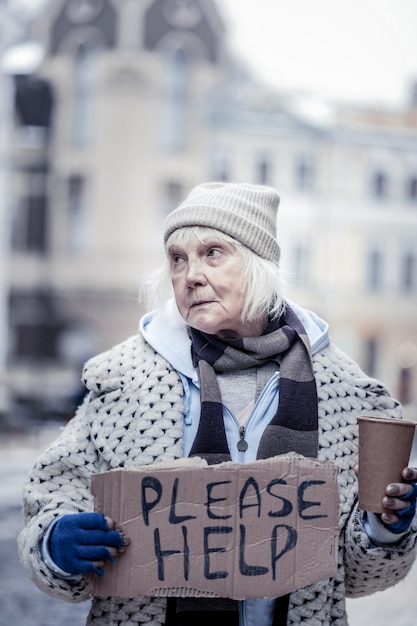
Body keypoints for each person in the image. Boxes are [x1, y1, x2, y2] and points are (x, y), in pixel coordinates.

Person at [18, 182, 417, 626]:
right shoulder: (123, 383)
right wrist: (56, 542)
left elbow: (355, 575)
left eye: (212, 252)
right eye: (177, 258)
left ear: (258, 265)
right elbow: (51, 499)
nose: (190, 275)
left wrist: (386, 528)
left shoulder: (346, 394)